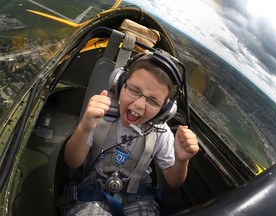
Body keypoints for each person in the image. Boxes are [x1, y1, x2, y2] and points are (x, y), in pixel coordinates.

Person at [62, 52, 199, 216]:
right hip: (95, 189)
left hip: (139, 195)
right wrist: (84, 127)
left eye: (154, 101)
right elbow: (72, 162)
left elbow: (173, 181)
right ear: (120, 84)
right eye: (134, 90)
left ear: (165, 110)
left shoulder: (161, 132)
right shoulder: (101, 115)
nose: (140, 105)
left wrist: (182, 160)